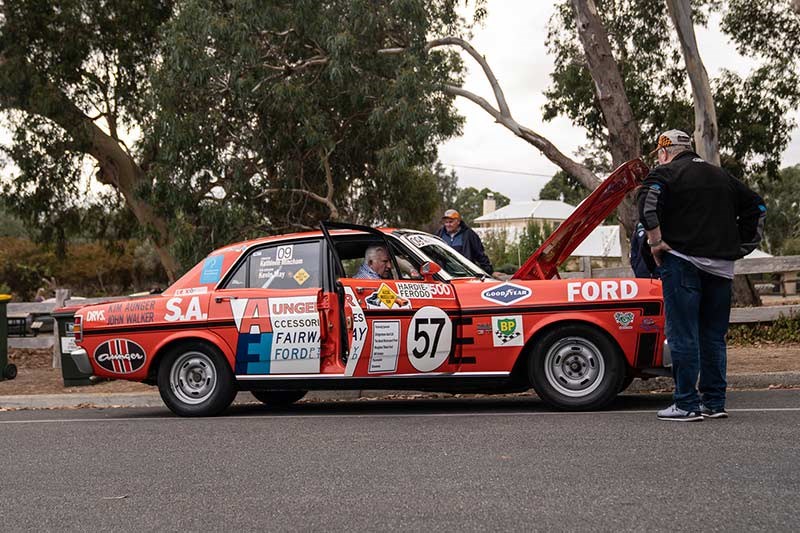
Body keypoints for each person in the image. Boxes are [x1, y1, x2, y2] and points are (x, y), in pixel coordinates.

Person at [637, 129, 766, 422]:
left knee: (683, 334)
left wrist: (656, 242)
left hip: (682, 262)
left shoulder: (665, 174)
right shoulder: (722, 177)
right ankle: (714, 402)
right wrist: (742, 247)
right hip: (722, 268)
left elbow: (647, 202)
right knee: (713, 337)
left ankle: (685, 404)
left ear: (664, 152)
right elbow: (757, 207)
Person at [436, 209, 493, 274]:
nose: (448, 225)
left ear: (458, 222)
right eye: (446, 222)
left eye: (451, 222)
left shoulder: (469, 234)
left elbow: (479, 254)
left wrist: (489, 270)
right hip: (445, 275)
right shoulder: (440, 234)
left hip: (465, 274)